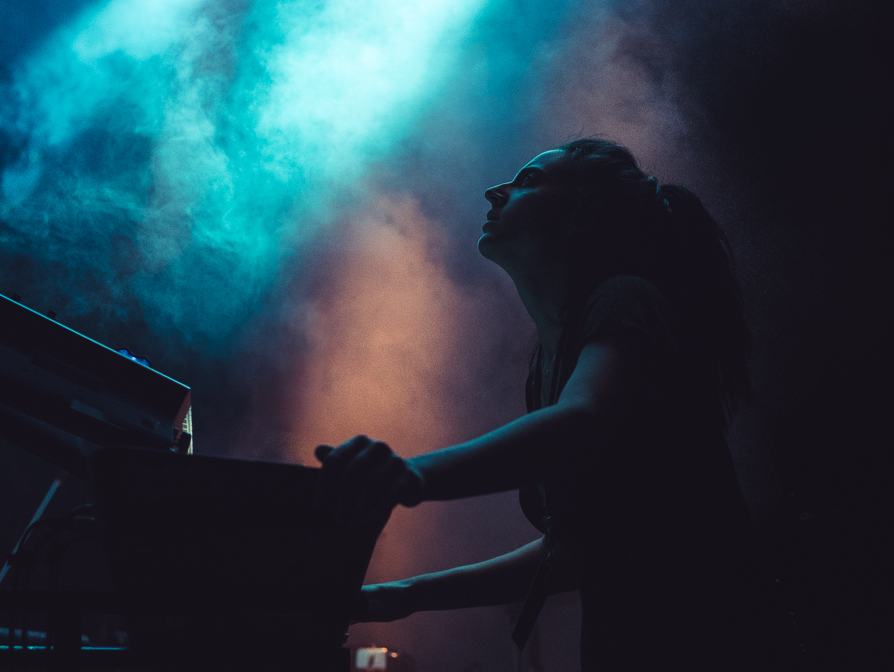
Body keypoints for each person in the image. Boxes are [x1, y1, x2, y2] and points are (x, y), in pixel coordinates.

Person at [315, 138, 782, 670]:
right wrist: (406, 595)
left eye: (529, 181)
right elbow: (581, 551)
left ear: (583, 214)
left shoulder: (625, 299)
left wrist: (409, 476)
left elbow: (580, 424)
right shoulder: (549, 367)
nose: (495, 191)